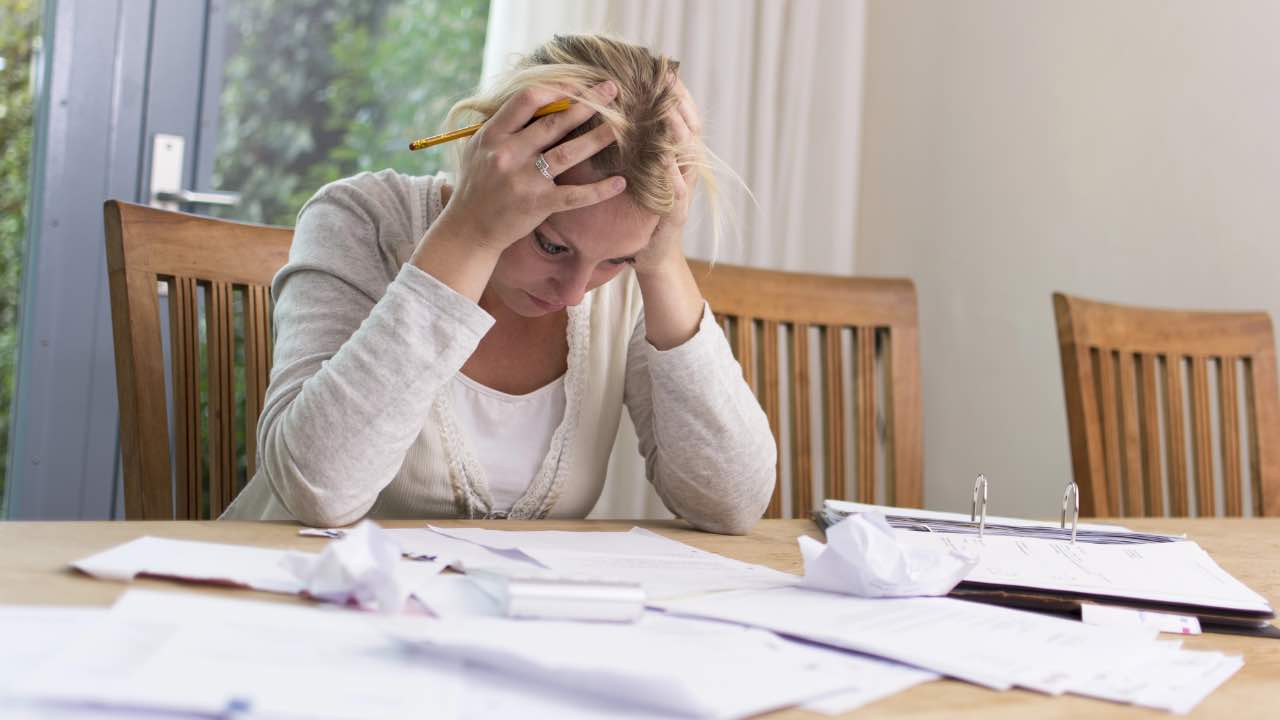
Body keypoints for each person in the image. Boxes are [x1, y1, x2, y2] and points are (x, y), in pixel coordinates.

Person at [222, 34, 776, 534]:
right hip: (292, 609)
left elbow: (730, 504)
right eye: (552, 246)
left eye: (617, 261)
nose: (574, 293)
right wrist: (470, 234)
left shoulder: (631, 280)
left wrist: (658, 263)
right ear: (492, 156)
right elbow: (317, 490)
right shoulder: (360, 218)